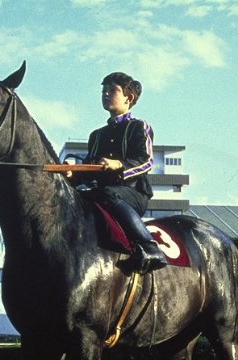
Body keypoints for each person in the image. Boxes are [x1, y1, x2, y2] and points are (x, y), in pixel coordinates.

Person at [68, 71, 167, 273]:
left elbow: (146, 162)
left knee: (107, 193)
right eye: (103, 90)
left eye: (112, 90)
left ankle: (149, 246)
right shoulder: (96, 135)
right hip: (101, 194)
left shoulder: (139, 127)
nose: (105, 94)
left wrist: (119, 165)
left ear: (129, 98)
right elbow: (90, 169)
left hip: (133, 193)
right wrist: (73, 175)